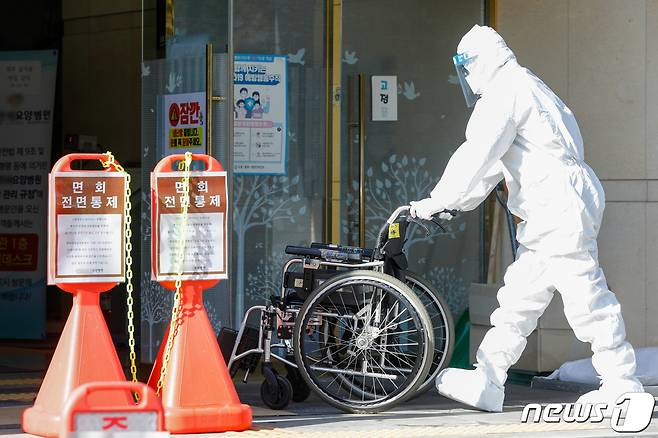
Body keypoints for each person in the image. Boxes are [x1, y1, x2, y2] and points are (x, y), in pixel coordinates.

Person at [409, 24, 644, 413]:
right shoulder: (526, 84)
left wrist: (439, 200)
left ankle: (622, 380)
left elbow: (478, 153)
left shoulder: (505, 91)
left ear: (482, 61)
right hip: (556, 202)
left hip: (556, 203)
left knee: (584, 292)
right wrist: (452, 201)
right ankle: (489, 377)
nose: (467, 78)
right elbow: (492, 165)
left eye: (467, 68)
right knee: (520, 296)